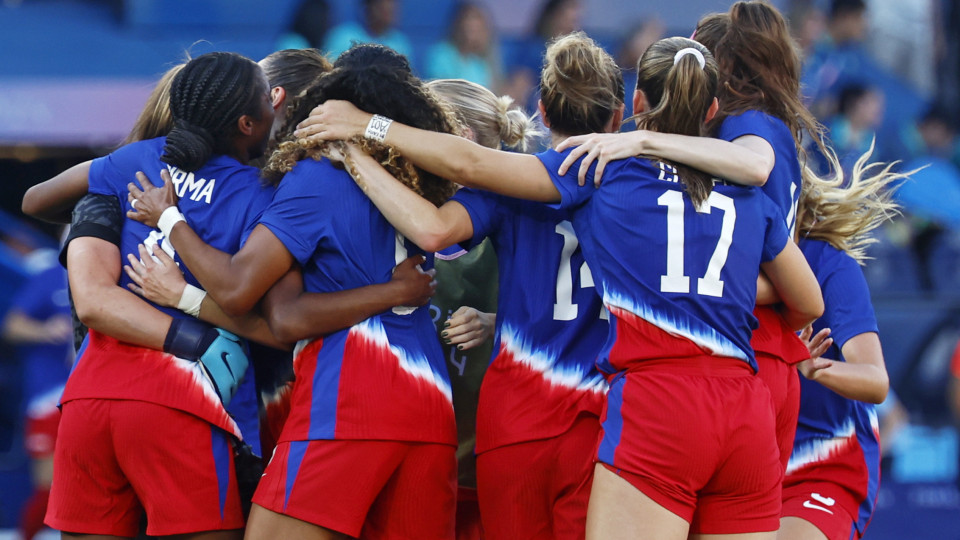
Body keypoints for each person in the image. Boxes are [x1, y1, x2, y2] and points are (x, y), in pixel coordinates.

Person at [296, 34, 824, 540]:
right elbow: (807, 301)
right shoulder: (748, 194)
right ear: (710, 112)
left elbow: (457, 186)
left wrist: (364, 134)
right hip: (704, 405)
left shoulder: (595, 170)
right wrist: (702, 292)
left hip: (593, 412)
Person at [127, 43, 462, 540]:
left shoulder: (314, 176)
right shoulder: (423, 182)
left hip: (351, 400)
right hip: (431, 408)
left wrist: (171, 220)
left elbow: (259, 302)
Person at [317, 55, 612, 539]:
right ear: (620, 116)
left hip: (512, 428)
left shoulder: (501, 191)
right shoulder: (634, 181)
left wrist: (356, 148)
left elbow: (434, 228)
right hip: (601, 418)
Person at [555, 1, 822, 480]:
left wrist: (644, 140)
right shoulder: (755, 130)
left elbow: (755, 166)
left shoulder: (748, 127)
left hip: (740, 353)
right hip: (756, 358)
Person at [46, 51, 279, 540]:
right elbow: (276, 319)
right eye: (267, 98)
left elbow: (34, 199)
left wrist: (104, 199)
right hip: (182, 401)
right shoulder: (262, 193)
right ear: (246, 123)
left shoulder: (134, 161)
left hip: (89, 395)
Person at [781, 150, 907, 540]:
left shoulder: (831, 264)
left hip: (825, 467)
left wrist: (815, 367)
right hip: (743, 460)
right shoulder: (725, 262)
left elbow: (875, 381)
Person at [2, 258, 73, 540]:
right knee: (49, 485)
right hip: (50, 395)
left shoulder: (117, 267)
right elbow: (11, 325)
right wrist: (47, 330)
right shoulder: (52, 277)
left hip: (98, 395)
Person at [426, 3, 502, 90]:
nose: (471, 34)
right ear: (458, 26)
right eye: (469, 28)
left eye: (477, 30)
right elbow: (439, 90)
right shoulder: (440, 54)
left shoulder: (479, 64)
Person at [323, 0, 413, 65]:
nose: (390, 10)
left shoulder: (400, 41)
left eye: (392, 9)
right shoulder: (342, 36)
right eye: (383, 8)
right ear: (370, 7)